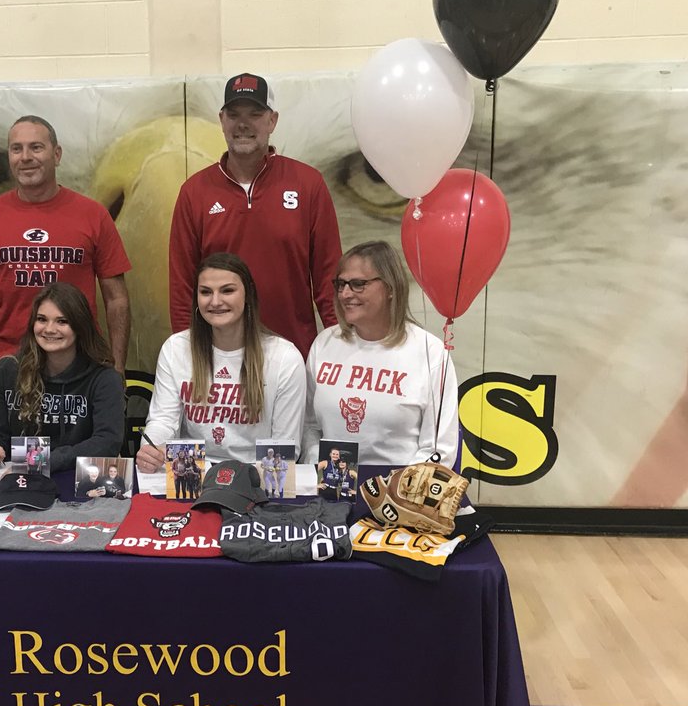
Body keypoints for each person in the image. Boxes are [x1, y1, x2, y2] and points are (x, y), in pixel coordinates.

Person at [168, 73, 342, 357]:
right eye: (234, 114)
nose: (243, 124)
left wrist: (342, 347)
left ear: (272, 120)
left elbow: (327, 277)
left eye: (255, 113)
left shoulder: (308, 183)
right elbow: (182, 285)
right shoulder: (194, 192)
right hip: (219, 357)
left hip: (295, 352)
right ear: (222, 121)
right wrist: (186, 355)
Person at [0, 115, 132, 373]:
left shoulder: (94, 215)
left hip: (79, 363)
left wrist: (117, 367)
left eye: (36, 147)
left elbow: (116, 298)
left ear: (57, 154)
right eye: (17, 149)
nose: (25, 157)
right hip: (9, 363)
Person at [136, 253, 305, 472]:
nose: (215, 301)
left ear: (248, 295)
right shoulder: (175, 348)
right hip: (192, 470)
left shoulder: (285, 357)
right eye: (205, 292)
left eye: (227, 290)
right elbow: (163, 420)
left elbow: (285, 444)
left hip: (254, 475)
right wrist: (152, 449)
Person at [303, 241, 460, 466]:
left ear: (390, 288)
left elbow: (438, 450)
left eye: (358, 284)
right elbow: (310, 427)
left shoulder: (431, 353)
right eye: (341, 284)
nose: (345, 294)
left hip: (398, 494)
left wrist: (395, 493)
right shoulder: (324, 343)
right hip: (331, 490)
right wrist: (318, 465)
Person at [0, 282, 125, 473]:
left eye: (62, 321)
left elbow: (107, 442)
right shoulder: (7, 370)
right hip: (17, 478)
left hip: (77, 479)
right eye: (42, 319)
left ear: (80, 326)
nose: (49, 329)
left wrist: (44, 461)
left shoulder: (104, 378)